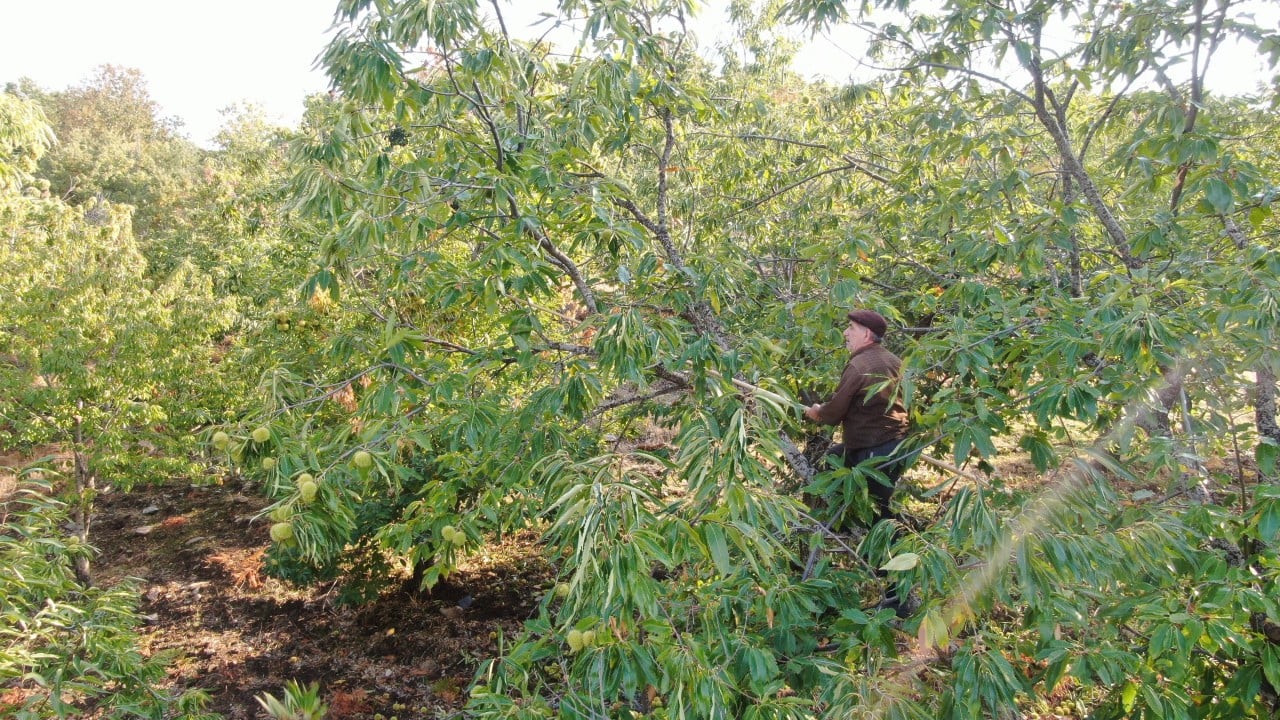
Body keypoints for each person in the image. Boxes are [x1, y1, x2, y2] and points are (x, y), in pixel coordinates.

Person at [804, 309, 910, 526]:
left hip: (875, 449)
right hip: (895, 445)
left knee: (878, 514)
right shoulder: (895, 360)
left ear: (866, 334)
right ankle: (844, 527)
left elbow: (835, 410)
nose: (845, 333)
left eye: (851, 328)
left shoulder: (859, 365)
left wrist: (818, 412)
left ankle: (885, 551)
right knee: (834, 460)